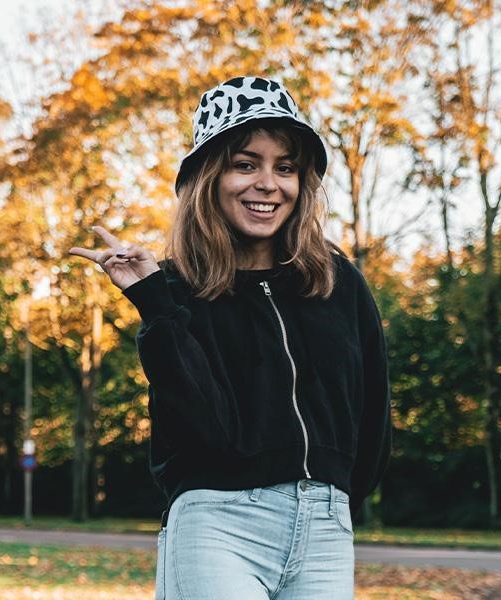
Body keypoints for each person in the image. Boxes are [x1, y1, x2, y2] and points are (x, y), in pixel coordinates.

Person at [69, 76, 391, 600]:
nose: (268, 183)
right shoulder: (174, 291)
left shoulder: (335, 280)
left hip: (327, 527)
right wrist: (155, 303)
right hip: (218, 522)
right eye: (246, 164)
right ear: (208, 178)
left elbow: (373, 405)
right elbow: (198, 424)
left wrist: (341, 495)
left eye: (285, 167)